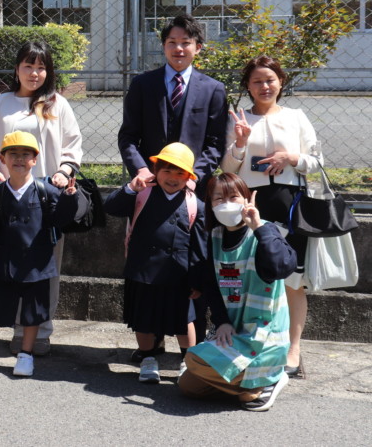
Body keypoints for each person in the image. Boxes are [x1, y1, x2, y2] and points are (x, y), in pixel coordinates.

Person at [0, 40, 82, 356]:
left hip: (46, 201)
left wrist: (63, 171)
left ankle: (39, 331)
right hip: (8, 200)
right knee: (8, 266)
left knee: (45, 268)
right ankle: (12, 326)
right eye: (28, 66)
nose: (34, 73)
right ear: (17, 68)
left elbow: (72, 145)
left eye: (41, 67)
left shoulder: (57, 104)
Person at [221, 55, 322, 379]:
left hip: (290, 206)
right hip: (250, 207)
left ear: (281, 82)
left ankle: (293, 349)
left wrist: (291, 157)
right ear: (248, 86)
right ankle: (250, 343)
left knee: (292, 279)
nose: (264, 86)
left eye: (270, 80)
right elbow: (227, 169)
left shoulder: (296, 117)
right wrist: (240, 144)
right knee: (249, 276)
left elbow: (317, 161)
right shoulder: (239, 118)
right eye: (257, 81)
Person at [0, 132, 78, 379]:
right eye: (13, 154)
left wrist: (69, 199)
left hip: (37, 266)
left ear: (35, 160)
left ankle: (26, 355)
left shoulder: (45, 190)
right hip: (6, 266)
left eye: (25, 154)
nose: (19, 159)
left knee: (32, 314)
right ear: (2, 159)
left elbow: (60, 221)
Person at [179, 173, 296, 412]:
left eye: (233, 197)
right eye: (218, 199)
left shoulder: (264, 231)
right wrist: (221, 321)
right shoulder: (214, 237)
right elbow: (212, 285)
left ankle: (271, 378)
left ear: (246, 199)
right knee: (189, 386)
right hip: (233, 332)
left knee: (193, 359)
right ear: (210, 205)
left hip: (263, 335)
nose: (226, 204)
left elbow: (281, 268)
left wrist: (258, 226)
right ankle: (248, 387)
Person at [103, 142, 207, 384]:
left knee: (184, 319)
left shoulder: (195, 204)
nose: (172, 178)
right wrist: (130, 188)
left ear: (189, 177)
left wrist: (198, 279)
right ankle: (148, 358)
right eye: (167, 171)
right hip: (143, 270)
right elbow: (111, 207)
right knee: (144, 318)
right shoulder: (142, 194)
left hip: (179, 273)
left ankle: (189, 360)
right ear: (155, 171)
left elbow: (200, 245)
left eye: (180, 173)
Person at [118, 13, 226, 196]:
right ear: (163, 46)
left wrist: (195, 176)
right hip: (149, 182)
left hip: (192, 186)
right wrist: (141, 169)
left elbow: (216, 143)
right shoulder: (142, 85)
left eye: (185, 43)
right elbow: (128, 136)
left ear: (198, 48)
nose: (178, 48)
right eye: (172, 42)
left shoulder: (213, 89)